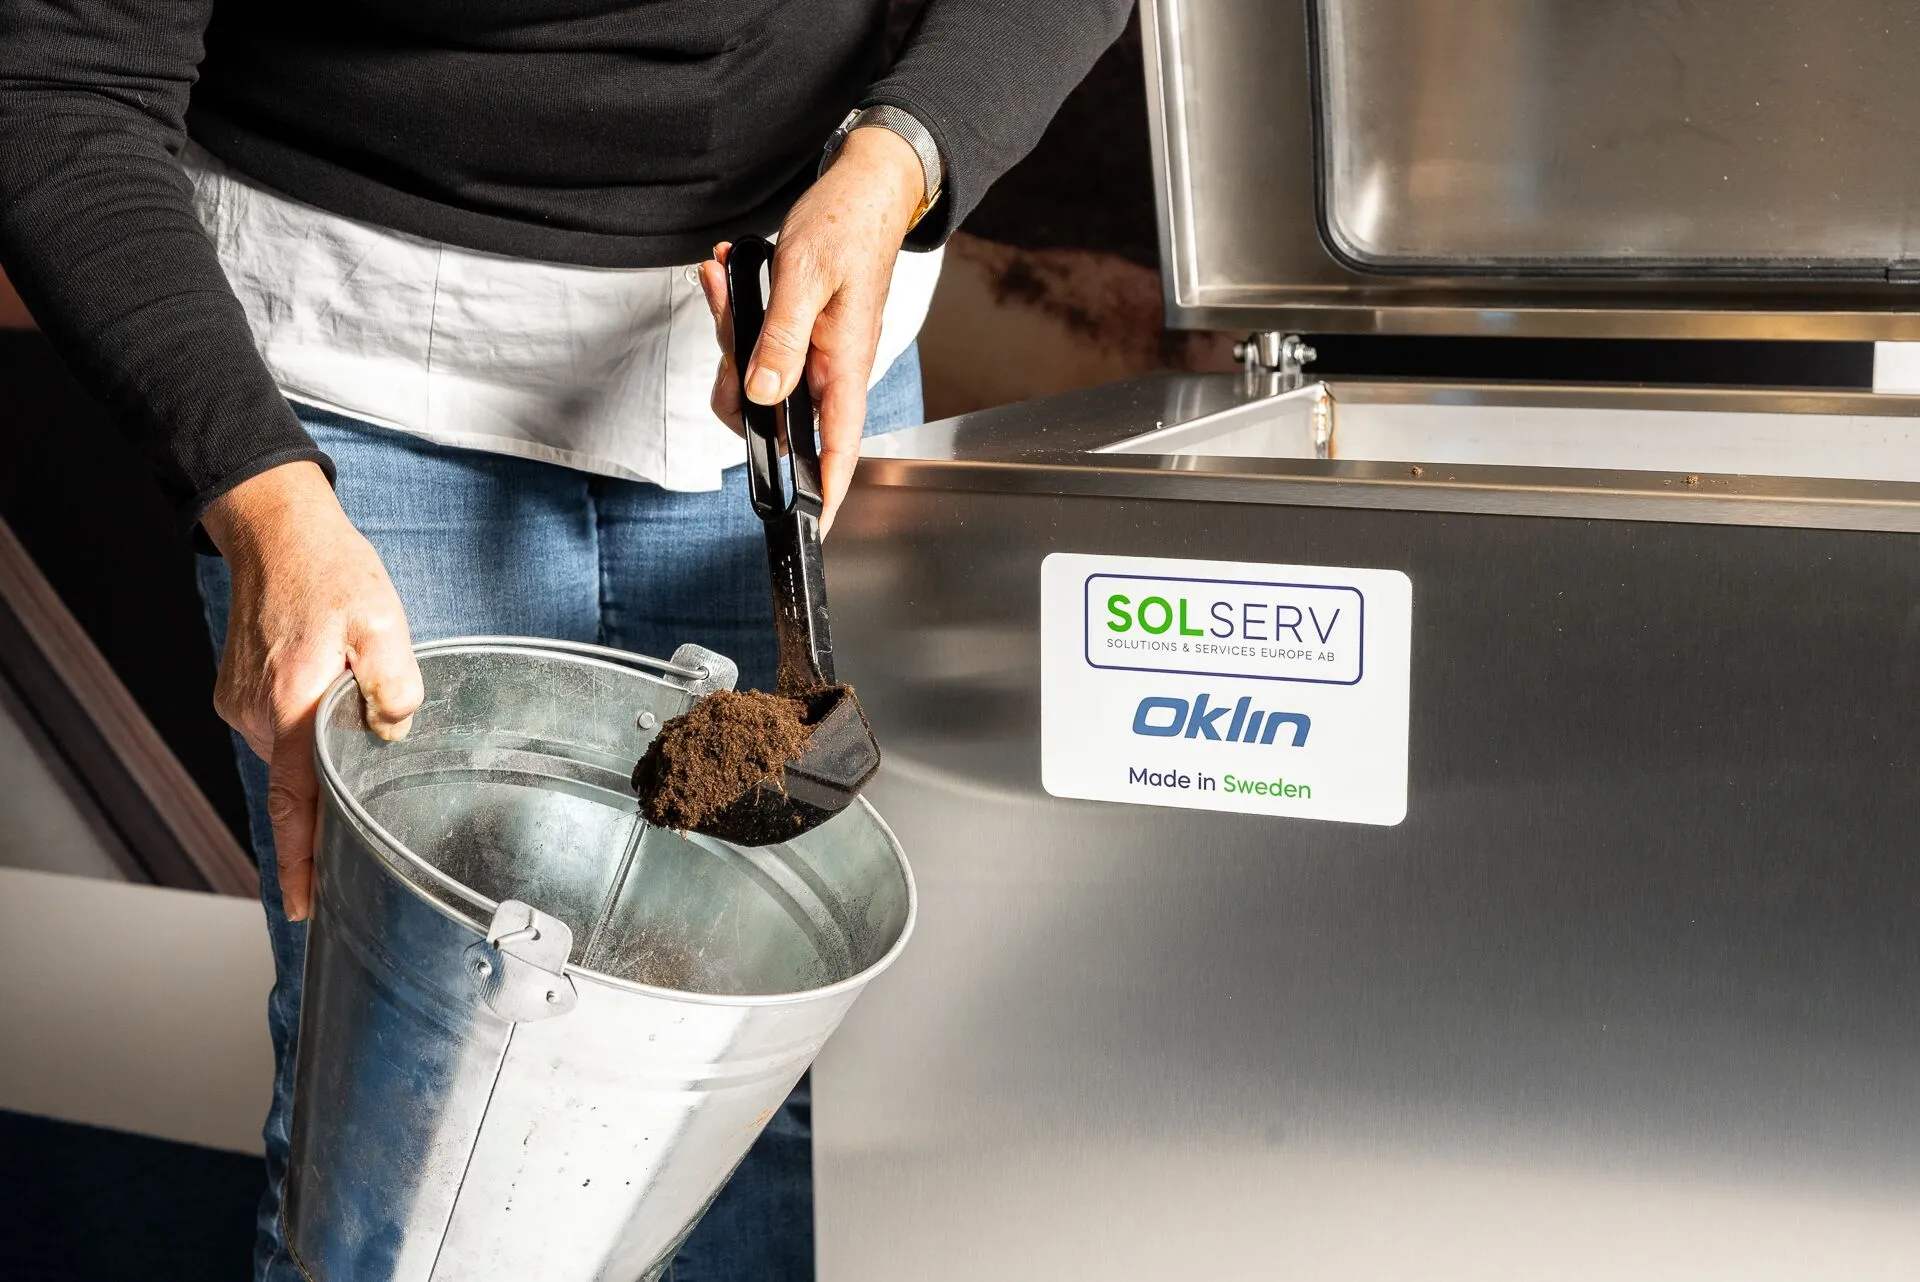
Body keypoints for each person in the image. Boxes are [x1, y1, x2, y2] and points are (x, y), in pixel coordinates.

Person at [0, 2, 1130, 1278]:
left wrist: (902, 154)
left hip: (797, 315)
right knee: (422, 1162)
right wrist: (260, 500)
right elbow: (57, 76)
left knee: (781, 1131)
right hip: (359, 383)